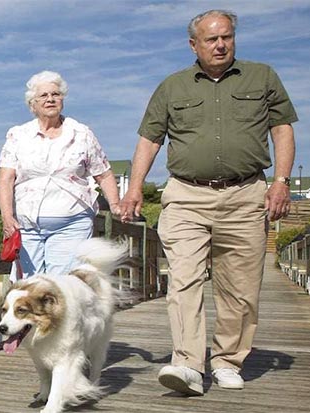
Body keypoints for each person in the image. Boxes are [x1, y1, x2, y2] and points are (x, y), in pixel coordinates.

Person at [120, 9, 297, 395]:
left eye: (227, 37)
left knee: (240, 287)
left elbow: (282, 129)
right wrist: (134, 188)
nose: (220, 45)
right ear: (193, 44)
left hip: (246, 194)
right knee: (183, 281)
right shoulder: (172, 87)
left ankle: (227, 360)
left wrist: (281, 182)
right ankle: (187, 363)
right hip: (185, 195)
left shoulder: (262, 77)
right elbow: (150, 139)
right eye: (212, 39)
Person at [0, 70, 121, 284]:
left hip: (72, 222)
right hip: (26, 225)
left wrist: (116, 205)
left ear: (62, 99)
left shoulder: (81, 134)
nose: (50, 99)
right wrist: (7, 216)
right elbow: (6, 180)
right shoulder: (18, 135)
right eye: (43, 96)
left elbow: (104, 174)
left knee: (61, 288)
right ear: (32, 104)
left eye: (56, 94)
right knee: (27, 287)